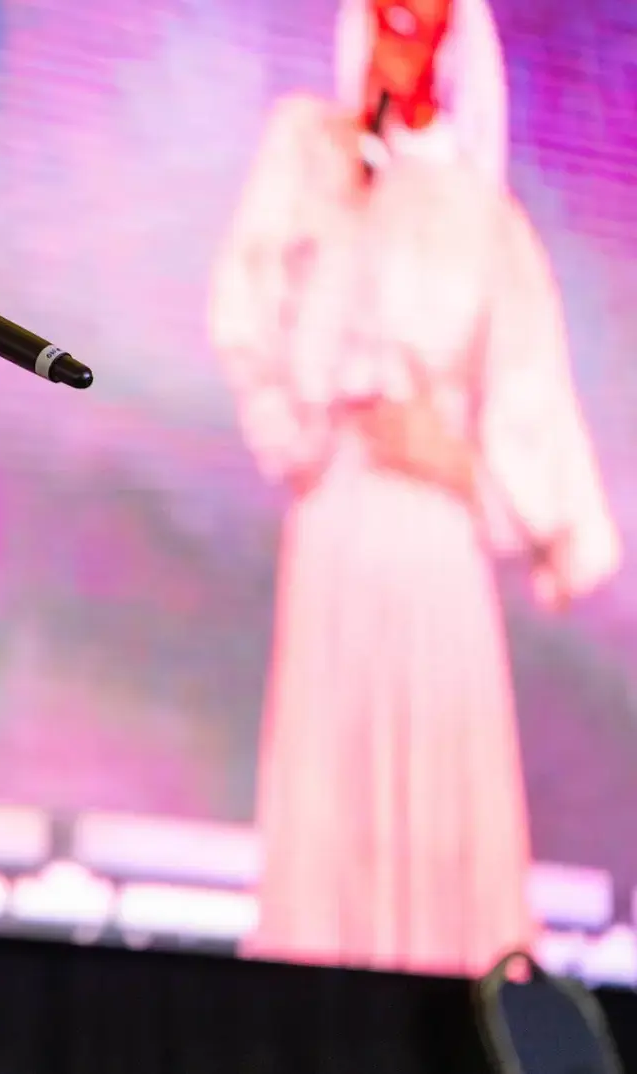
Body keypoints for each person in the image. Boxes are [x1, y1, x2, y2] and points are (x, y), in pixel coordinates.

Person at [209, 0, 619, 977]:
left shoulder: (482, 215)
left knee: (439, 770)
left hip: (434, 535)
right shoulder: (310, 156)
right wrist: (299, 432)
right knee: (334, 769)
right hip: (339, 515)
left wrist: (471, 474)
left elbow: (529, 388)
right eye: (386, 16)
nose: (402, 36)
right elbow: (246, 309)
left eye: (422, 17)